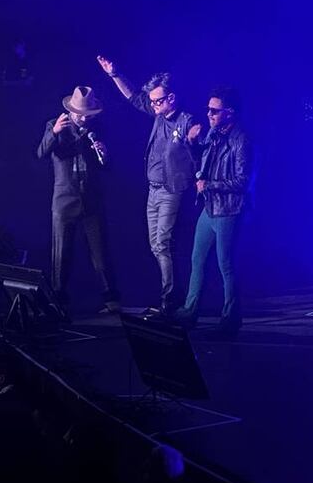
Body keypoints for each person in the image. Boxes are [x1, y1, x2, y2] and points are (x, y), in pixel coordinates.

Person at [96, 56, 200, 315]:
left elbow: (199, 140)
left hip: (172, 189)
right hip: (153, 189)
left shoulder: (185, 120)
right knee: (155, 244)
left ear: (171, 98)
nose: (153, 106)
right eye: (152, 102)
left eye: (158, 101)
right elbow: (133, 97)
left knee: (163, 243)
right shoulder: (157, 114)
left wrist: (192, 140)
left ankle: (170, 299)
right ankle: (170, 293)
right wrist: (114, 73)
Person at [36, 86, 120, 314]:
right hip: (65, 199)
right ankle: (58, 300)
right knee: (61, 253)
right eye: (80, 114)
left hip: (91, 198)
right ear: (71, 110)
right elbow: (41, 153)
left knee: (100, 253)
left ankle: (111, 300)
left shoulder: (97, 129)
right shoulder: (57, 124)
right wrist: (53, 132)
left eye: (88, 115)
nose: (84, 118)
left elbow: (109, 167)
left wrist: (105, 153)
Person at [175, 87, 252, 334]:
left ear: (229, 112)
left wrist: (210, 185)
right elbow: (202, 160)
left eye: (214, 110)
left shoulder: (241, 140)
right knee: (197, 259)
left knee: (226, 265)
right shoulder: (214, 133)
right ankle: (189, 310)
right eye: (208, 109)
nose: (209, 114)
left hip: (229, 210)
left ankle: (231, 317)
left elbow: (242, 181)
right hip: (209, 207)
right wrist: (191, 143)